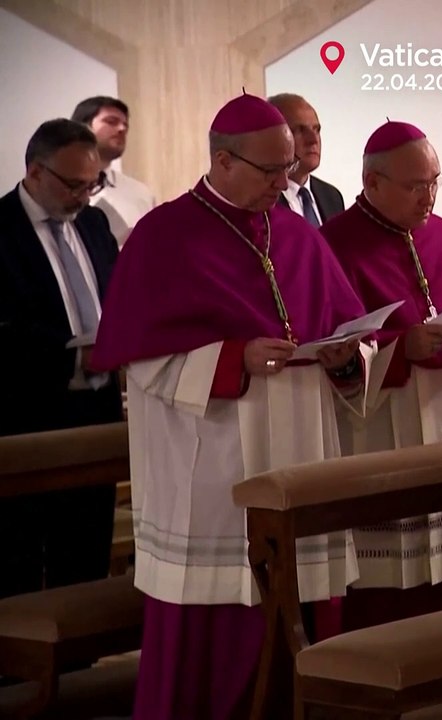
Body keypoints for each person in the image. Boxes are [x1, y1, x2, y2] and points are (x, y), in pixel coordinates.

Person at [90, 92, 368, 720]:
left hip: (300, 450)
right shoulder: (163, 236)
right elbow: (141, 360)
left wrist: (345, 357)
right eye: (270, 170)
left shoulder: (297, 234)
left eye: (287, 168)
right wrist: (232, 359)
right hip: (212, 464)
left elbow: (350, 329)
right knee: (213, 632)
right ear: (222, 161)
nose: (283, 182)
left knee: (298, 609)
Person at [321, 120, 442, 630]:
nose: (429, 197)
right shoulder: (333, 245)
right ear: (372, 182)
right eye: (415, 186)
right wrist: (402, 349)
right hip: (377, 429)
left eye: (435, 182)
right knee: (382, 596)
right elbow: (329, 353)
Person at [0, 119, 122, 598]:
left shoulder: (93, 223)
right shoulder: (3, 228)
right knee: (20, 565)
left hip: (97, 413)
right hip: (27, 417)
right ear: (34, 171)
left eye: (93, 184)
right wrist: (73, 358)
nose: (83, 197)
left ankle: (85, 647)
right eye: (73, 185)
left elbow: (115, 301)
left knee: (87, 557)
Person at [72, 96, 157, 246]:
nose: (122, 129)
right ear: (82, 128)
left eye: (125, 125)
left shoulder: (141, 194)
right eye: (111, 121)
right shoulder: (54, 189)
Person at [268, 93, 345, 225]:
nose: (313, 140)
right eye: (300, 130)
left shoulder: (332, 196)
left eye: (316, 130)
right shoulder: (262, 199)